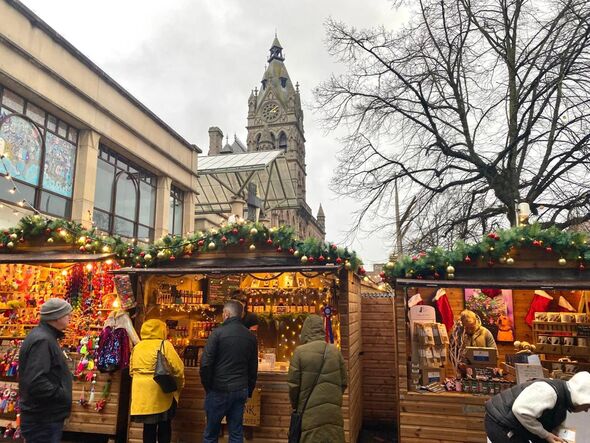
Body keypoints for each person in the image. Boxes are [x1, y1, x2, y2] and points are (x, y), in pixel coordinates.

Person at [200, 300, 258, 443]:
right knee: (236, 433)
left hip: (218, 389)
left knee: (211, 433)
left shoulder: (217, 333)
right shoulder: (250, 337)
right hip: (240, 390)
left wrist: (208, 387)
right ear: (241, 315)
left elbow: (205, 364)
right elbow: (253, 368)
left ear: (226, 314)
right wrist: (249, 389)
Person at [18, 298, 73, 443]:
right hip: (42, 419)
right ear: (56, 317)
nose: (70, 317)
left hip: (44, 417)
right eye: (67, 314)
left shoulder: (46, 337)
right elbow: (36, 381)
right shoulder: (43, 340)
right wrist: (61, 394)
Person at [287, 315, 348, 443]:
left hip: (310, 416)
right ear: (321, 329)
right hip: (333, 414)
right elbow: (343, 382)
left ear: (305, 331)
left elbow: (293, 386)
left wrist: (297, 406)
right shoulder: (335, 351)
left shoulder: (300, 352)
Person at [485, 371, 590, 443]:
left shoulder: (563, 400)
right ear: (581, 399)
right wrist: (546, 435)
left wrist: (554, 437)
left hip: (513, 422)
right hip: (500, 422)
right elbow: (520, 411)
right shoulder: (549, 392)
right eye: (588, 405)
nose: (586, 410)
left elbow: (553, 428)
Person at [130, 319, 185, 443]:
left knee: (148, 428)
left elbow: (131, 370)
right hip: (160, 391)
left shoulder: (138, 346)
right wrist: (178, 385)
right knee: (164, 427)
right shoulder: (164, 344)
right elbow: (178, 369)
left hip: (141, 395)